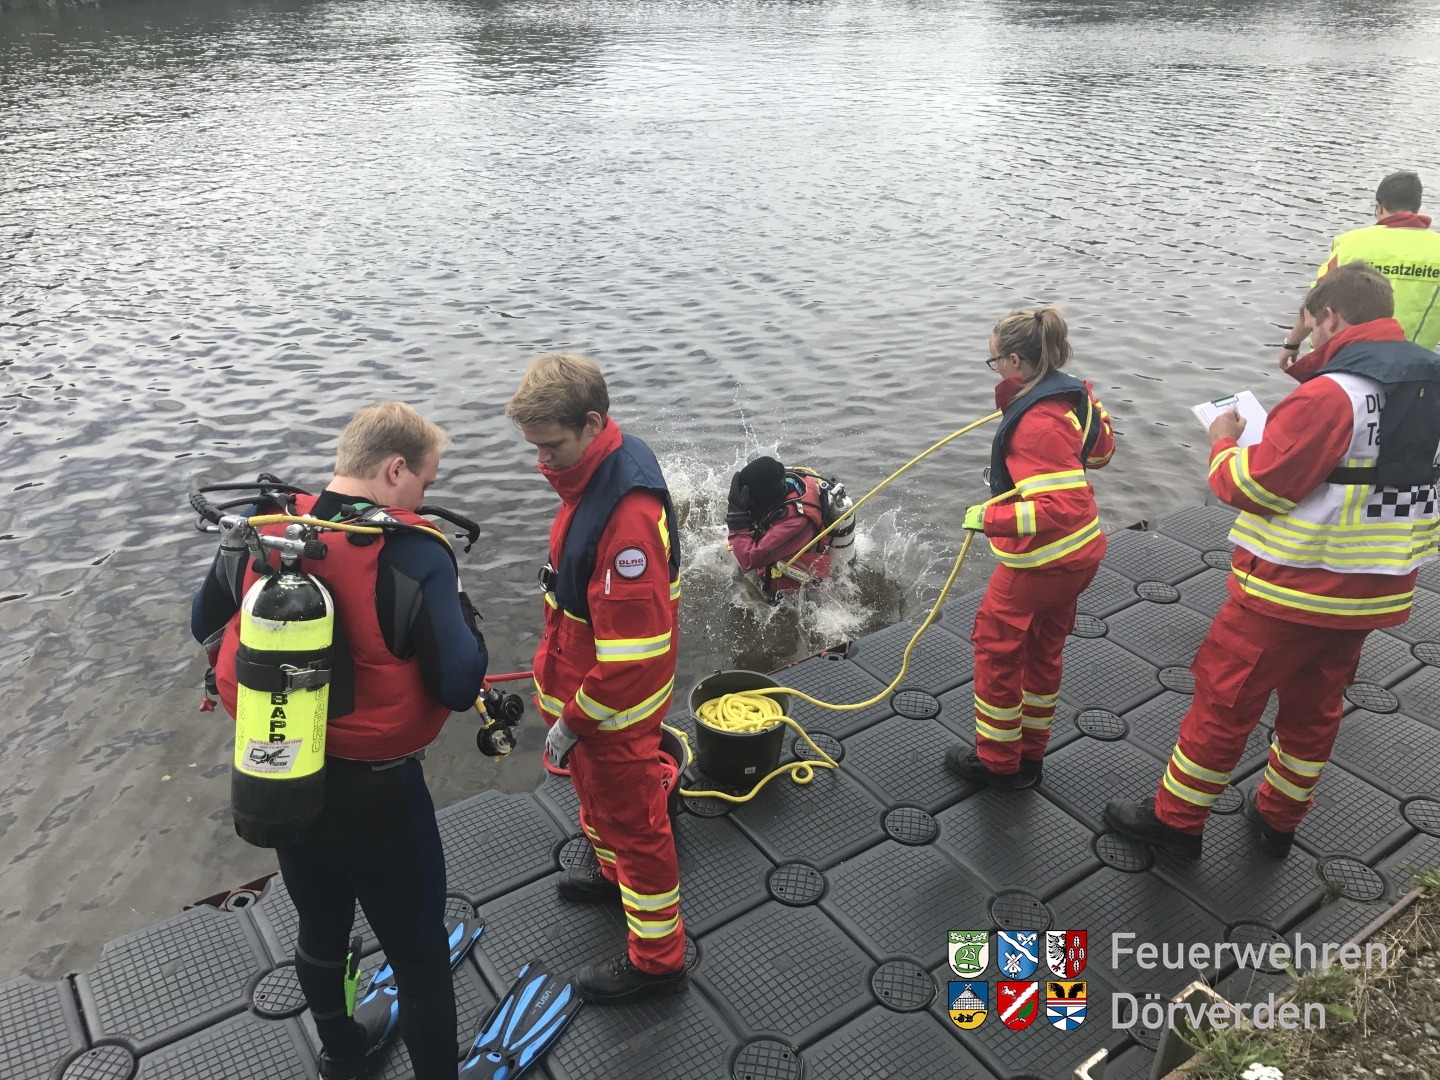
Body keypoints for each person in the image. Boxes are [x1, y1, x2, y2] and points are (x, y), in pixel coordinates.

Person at [191, 402, 488, 1080]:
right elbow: (457, 681)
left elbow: (203, 621)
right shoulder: (414, 553)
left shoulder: (263, 534)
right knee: (416, 956)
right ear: (393, 468)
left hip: (281, 770)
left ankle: (343, 1053)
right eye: (425, 483)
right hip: (379, 797)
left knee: (320, 926)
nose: (424, 500)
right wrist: (470, 628)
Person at [1107, 263, 1440, 859]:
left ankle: (1177, 823)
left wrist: (1224, 444)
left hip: (1293, 587)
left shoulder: (1332, 394)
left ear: (1330, 316)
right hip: (1376, 587)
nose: (1310, 336)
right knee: (1315, 711)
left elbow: (1253, 489)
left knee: (1226, 699)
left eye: (1311, 324)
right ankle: (1279, 820)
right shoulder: (1430, 384)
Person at [506, 353, 689, 1005]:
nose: (543, 462)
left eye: (552, 446)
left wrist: (573, 721)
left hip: (610, 711)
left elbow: (633, 653)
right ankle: (613, 877)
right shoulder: (595, 474)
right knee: (603, 810)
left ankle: (658, 959)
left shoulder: (626, 517)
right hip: (586, 702)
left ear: (591, 423)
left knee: (638, 830)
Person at [943, 307, 1116, 790]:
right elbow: (1101, 456)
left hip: (1043, 563)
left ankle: (999, 762)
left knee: (996, 651)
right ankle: (1031, 755)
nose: (993, 367)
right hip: (1080, 559)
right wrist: (1089, 406)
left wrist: (988, 518)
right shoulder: (1073, 398)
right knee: (1043, 652)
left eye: (994, 360)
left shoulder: (1037, 422)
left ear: (1016, 361)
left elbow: (1064, 506)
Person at [1279, 170, 1440, 365]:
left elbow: (1316, 303)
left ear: (1379, 207)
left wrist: (1292, 344)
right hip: (1410, 370)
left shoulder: (1350, 243)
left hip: (1342, 365)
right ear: (1417, 207)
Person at [725, 457, 854, 601]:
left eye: (751, 499)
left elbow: (748, 560)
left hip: (805, 591)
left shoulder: (796, 521)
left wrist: (736, 519)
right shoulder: (790, 482)